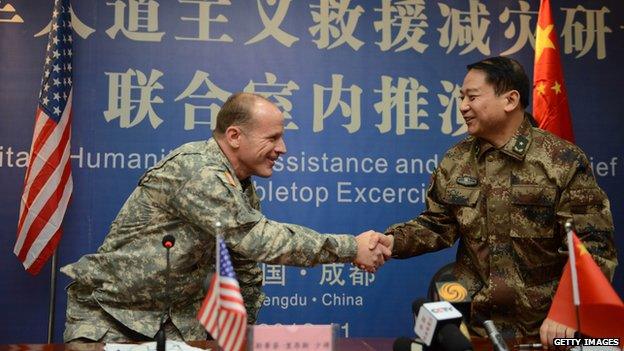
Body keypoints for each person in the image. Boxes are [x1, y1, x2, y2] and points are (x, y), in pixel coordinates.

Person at [61, 92, 392, 342]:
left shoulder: (241, 184)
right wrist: (351, 247)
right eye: (273, 138)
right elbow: (259, 239)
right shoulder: (199, 171)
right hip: (112, 321)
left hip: (174, 327)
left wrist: (241, 335)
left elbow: (244, 263)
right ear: (234, 136)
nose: (283, 149)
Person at [379, 57, 617, 345]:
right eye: (461, 97)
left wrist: (566, 312)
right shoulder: (456, 160)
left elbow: (593, 246)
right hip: (475, 330)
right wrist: (391, 242)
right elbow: (437, 225)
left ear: (510, 100)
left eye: (472, 97)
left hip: (546, 331)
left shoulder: (562, 161)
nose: (463, 106)